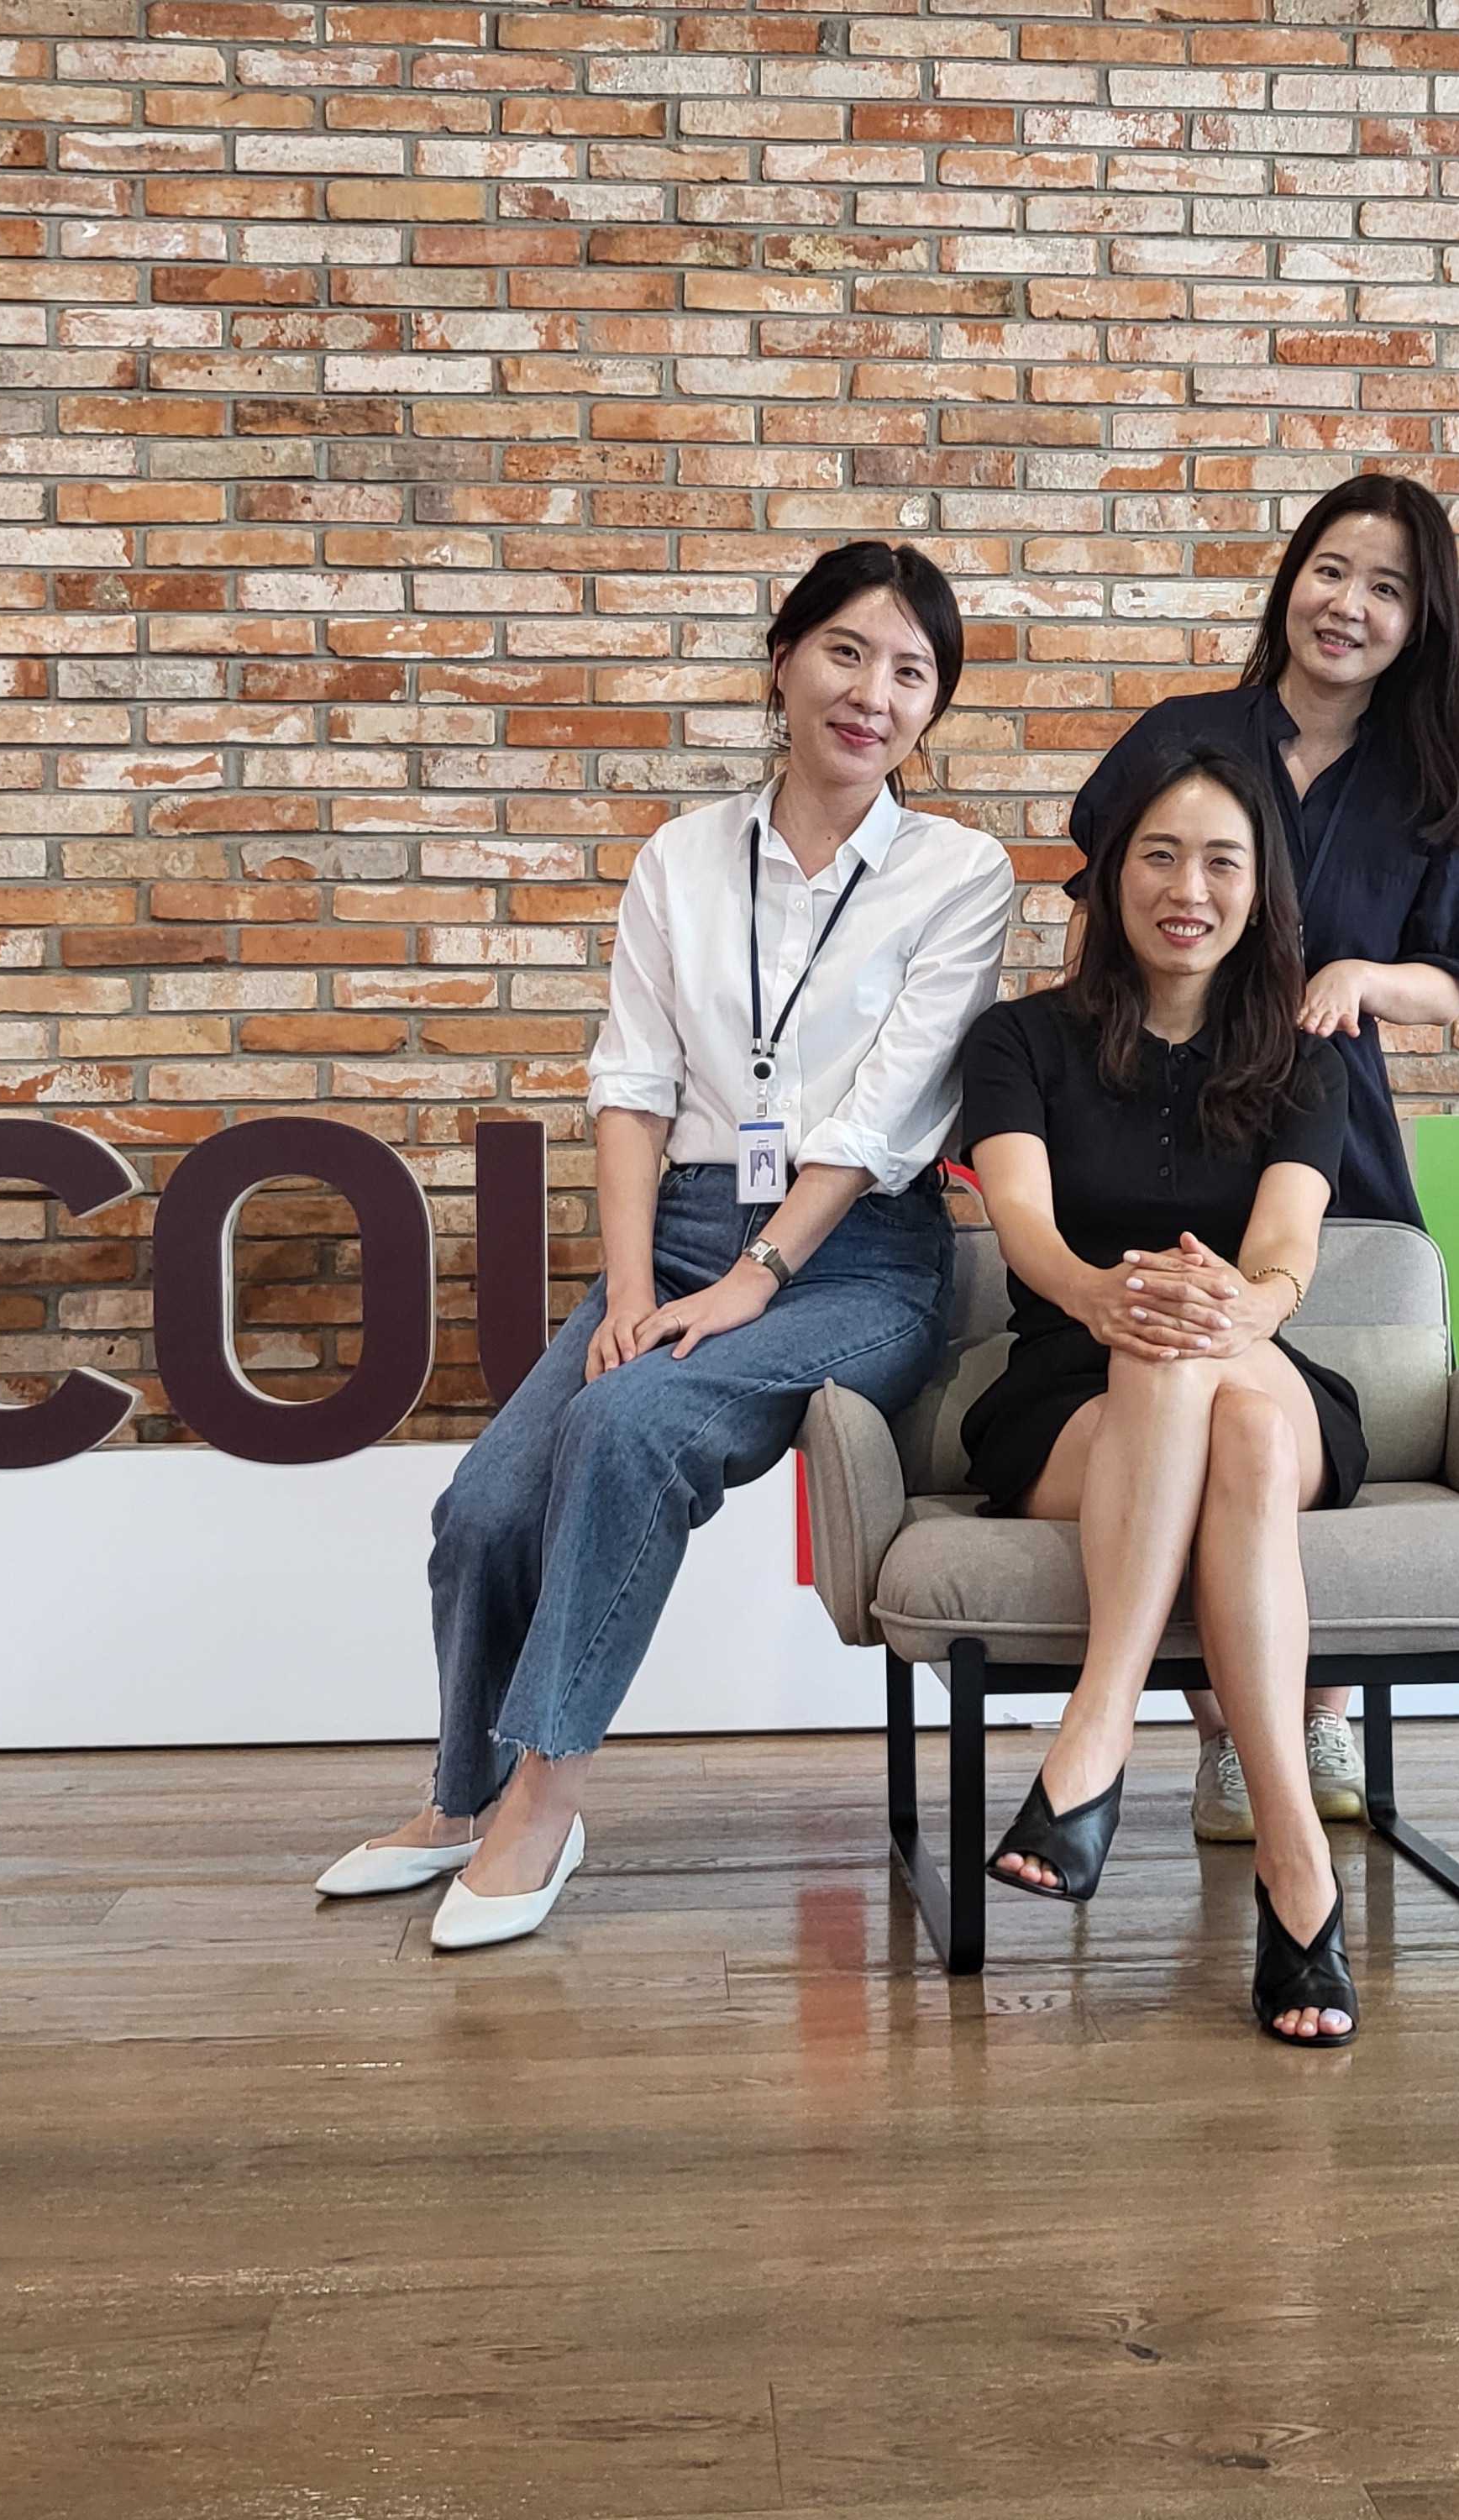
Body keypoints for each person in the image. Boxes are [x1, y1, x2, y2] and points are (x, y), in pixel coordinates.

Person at [313, 542, 1015, 1949]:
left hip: (858, 1262)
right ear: (783, 660)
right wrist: (633, 1288)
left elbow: (883, 1117)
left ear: (932, 712)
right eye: (845, 652)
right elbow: (630, 1089)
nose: (871, 693)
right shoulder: (682, 858)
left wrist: (757, 1279)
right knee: (485, 1508)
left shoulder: (961, 873)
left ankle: (544, 1808)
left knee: (632, 1426)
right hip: (683, 1229)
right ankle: (462, 1794)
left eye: (910, 672)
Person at [1063, 471, 1459, 1847]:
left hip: (1329, 1147)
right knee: (1188, 1404)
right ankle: (1219, 1741)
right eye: (1332, 571)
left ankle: (1310, 1721)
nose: (1350, 605)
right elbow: (1101, 918)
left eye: (1386, 586)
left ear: (1420, 617)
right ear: (1290, 579)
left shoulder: (1437, 786)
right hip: (1160, 1128)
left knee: (1285, 1416)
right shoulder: (1188, 738)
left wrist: (1368, 976)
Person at [957, 738, 1364, 2046]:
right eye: (1161, 854)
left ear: (1261, 894)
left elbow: (1288, 1245)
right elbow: (1018, 1215)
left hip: (1256, 1356)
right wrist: (1098, 1292)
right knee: (1187, 1374)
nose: (1190, 886)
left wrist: (1247, 1305)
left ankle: (1094, 1745)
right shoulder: (1020, 1041)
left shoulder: (1306, 1058)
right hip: (1073, 1392)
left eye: (1223, 861)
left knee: (1212, 1361)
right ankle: (1299, 1876)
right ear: (1112, 874)